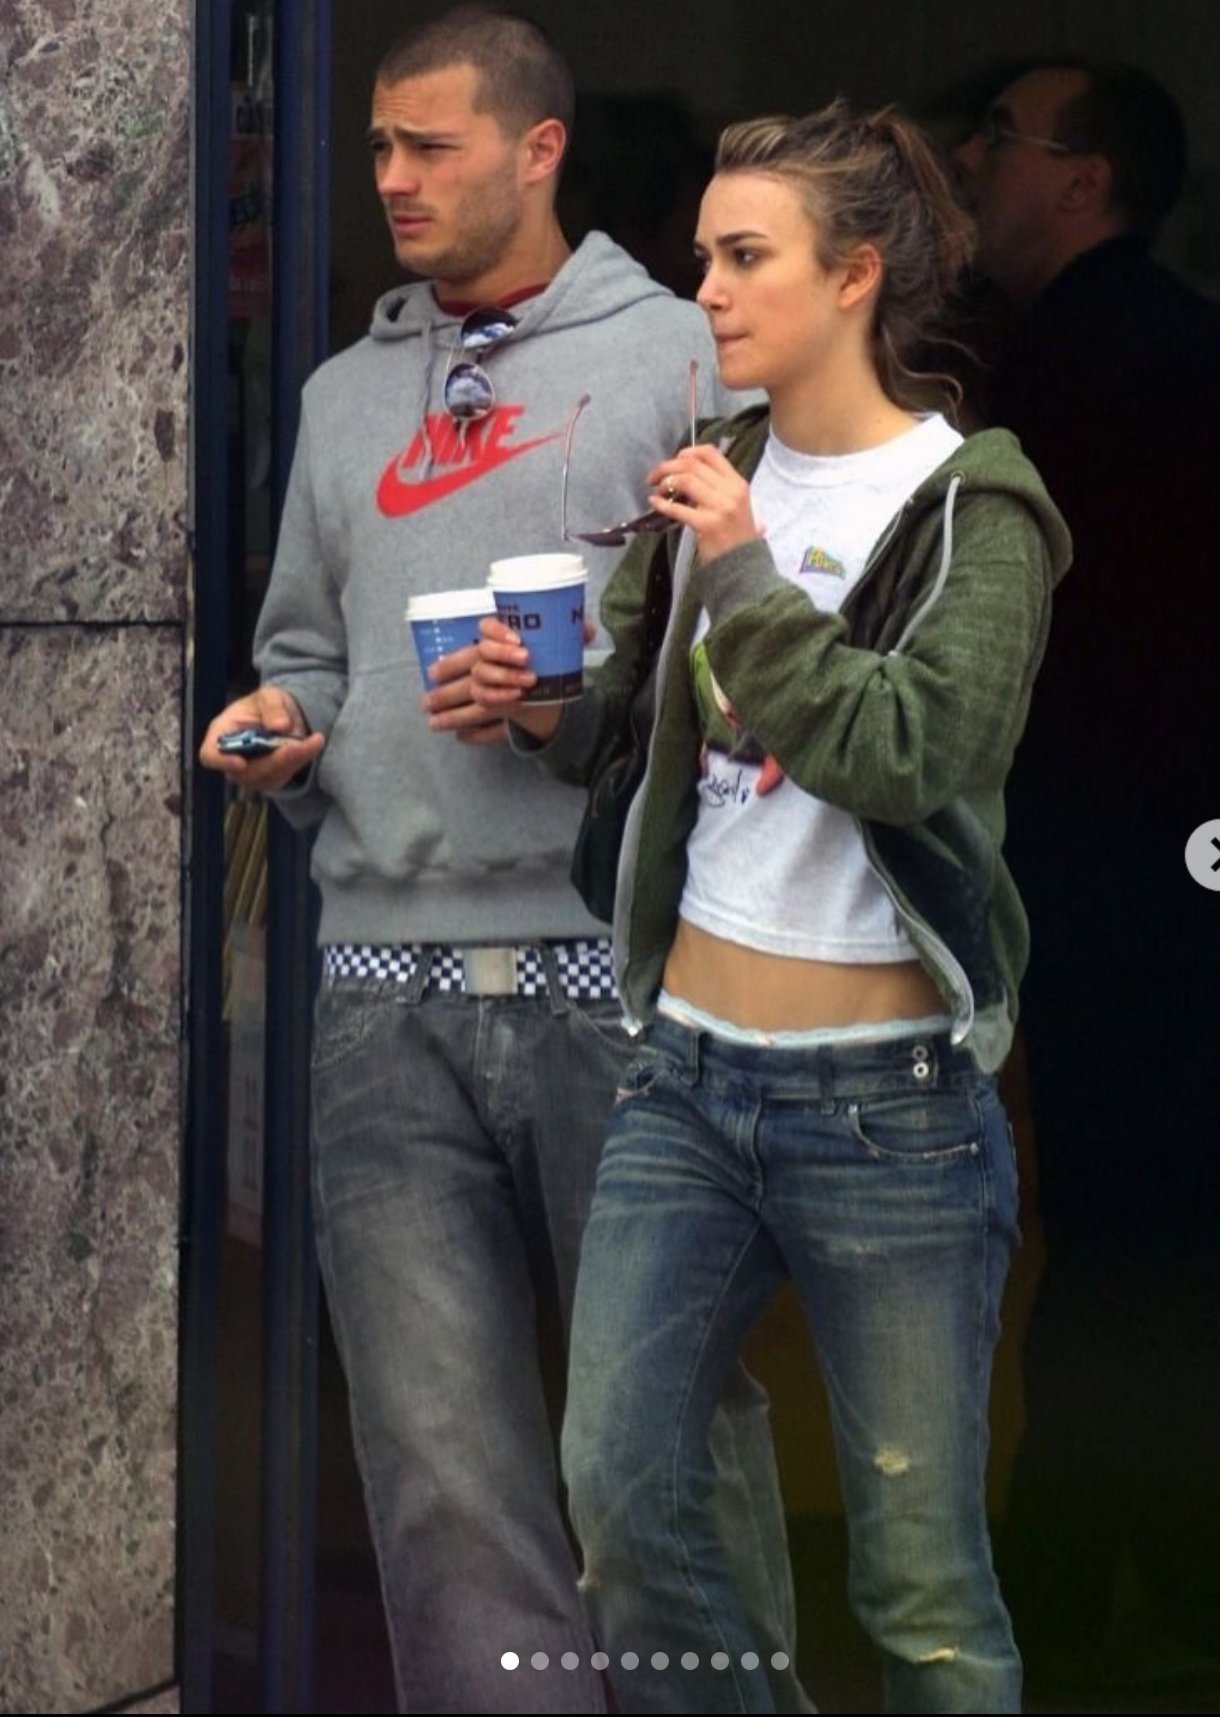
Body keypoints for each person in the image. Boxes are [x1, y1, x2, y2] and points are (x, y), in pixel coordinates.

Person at [198, 8, 803, 1712]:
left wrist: (574, 705)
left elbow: (774, 655)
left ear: (539, 150)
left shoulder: (686, 356)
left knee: (661, 1448)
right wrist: (287, 723)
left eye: (429, 146)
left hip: (622, 971)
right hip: (374, 986)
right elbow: (307, 652)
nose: (390, 178)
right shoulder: (342, 394)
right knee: (441, 1472)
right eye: (377, 147)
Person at [475, 99, 1071, 1713]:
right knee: (619, 1496)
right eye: (703, 257)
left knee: (919, 1583)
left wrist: (740, 571)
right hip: (684, 1074)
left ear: (854, 274)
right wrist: (538, 706)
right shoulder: (718, 472)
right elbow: (625, 725)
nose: (710, 293)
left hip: (892, 1108)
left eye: (745, 258)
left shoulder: (975, 508)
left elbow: (908, 750)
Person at [955, 59, 1220, 1686]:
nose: (972, 164)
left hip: (1124, 877)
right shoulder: (1159, 338)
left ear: (1081, 180)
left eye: (999, 141)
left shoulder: (1087, 358)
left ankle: (1082, 1592)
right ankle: (1175, 1581)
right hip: (1175, 875)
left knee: (1122, 1240)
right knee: (1157, 1242)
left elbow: (1080, 656)